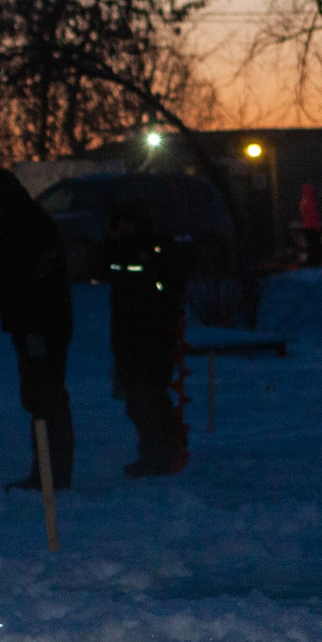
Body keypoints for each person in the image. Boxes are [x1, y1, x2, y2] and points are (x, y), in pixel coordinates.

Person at [0, 167, 73, 490]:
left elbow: (39, 281)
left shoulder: (28, 227)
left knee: (45, 398)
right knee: (39, 398)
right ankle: (47, 471)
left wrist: (32, 322)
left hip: (40, 327)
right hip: (33, 325)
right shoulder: (20, 224)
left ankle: (52, 473)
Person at [104, 199, 190, 477]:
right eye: (120, 222)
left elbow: (169, 289)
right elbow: (98, 268)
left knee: (149, 398)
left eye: (128, 221)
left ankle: (162, 453)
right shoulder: (117, 249)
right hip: (127, 334)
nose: (124, 227)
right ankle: (155, 451)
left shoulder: (154, 250)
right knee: (136, 400)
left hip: (152, 335)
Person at [296, 181, 322, 267]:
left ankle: (312, 262)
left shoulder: (303, 202)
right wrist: (317, 227)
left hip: (307, 227)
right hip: (312, 227)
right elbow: (313, 217)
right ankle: (314, 262)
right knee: (315, 246)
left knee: (312, 246)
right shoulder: (309, 202)